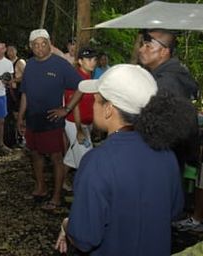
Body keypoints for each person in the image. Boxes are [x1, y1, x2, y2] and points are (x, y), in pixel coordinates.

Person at [56, 64, 189, 255]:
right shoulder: (166, 154)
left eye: (96, 100)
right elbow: (174, 211)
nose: (93, 104)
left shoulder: (98, 161)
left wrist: (67, 225)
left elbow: (84, 237)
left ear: (109, 109)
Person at [138, 29, 200, 231]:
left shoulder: (167, 83)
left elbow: (158, 130)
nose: (142, 49)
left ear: (164, 52)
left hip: (163, 157)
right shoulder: (167, 75)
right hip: (171, 158)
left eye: (148, 46)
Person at [17, 29, 82, 210]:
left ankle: (56, 196)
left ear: (49, 44)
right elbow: (25, 94)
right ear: (31, 47)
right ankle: (41, 188)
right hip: (33, 119)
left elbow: (81, 86)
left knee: (56, 158)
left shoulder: (60, 64)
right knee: (35, 154)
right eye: (35, 45)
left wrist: (66, 109)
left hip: (52, 120)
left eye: (43, 43)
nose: (40, 48)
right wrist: (20, 117)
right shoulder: (29, 65)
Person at [62, 48, 98, 190]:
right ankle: (85, 190)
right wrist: (78, 130)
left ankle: (61, 182)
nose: (92, 62)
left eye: (94, 59)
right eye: (89, 59)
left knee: (71, 157)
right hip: (74, 123)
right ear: (80, 61)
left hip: (86, 123)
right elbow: (74, 105)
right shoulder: (75, 78)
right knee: (87, 159)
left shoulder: (90, 77)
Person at [6, 45, 26, 146]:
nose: (10, 52)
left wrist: (14, 80)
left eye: (12, 50)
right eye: (8, 50)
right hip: (10, 91)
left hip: (19, 91)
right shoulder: (7, 63)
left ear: (16, 51)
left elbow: (27, 76)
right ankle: (13, 138)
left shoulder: (20, 62)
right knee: (12, 115)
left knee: (19, 114)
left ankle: (22, 137)